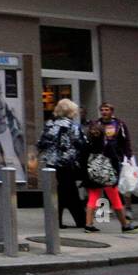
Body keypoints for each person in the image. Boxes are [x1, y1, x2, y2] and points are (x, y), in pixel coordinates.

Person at [38, 98, 89, 229]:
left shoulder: (49, 124)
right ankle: (81, 220)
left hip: (51, 163)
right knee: (68, 190)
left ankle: (58, 220)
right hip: (67, 163)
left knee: (61, 190)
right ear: (71, 111)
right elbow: (81, 144)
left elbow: (41, 143)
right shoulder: (72, 126)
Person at [83, 119, 138, 234]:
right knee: (115, 199)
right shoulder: (107, 145)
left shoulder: (87, 146)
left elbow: (82, 160)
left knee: (93, 198)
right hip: (107, 175)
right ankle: (125, 225)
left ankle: (88, 224)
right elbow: (114, 159)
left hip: (92, 175)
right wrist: (117, 175)